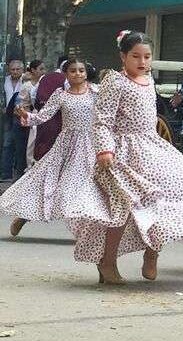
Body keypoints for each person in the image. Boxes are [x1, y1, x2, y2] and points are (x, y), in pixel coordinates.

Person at [68, 31, 183, 285]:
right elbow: (101, 121)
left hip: (152, 150)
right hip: (122, 155)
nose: (142, 61)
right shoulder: (115, 82)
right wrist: (105, 149)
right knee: (120, 211)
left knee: (166, 201)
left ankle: (152, 253)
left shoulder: (149, 81)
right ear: (123, 57)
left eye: (147, 56)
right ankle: (107, 262)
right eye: (136, 56)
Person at [1, 59, 106, 238]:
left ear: (86, 73)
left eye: (81, 70)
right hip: (65, 146)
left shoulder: (97, 92)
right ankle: (24, 215)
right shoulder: (61, 95)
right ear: (65, 74)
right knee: (46, 182)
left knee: (88, 186)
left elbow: (108, 115)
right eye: (73, 71)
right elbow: (43, 116)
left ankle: (85, 230)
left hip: (91, 145)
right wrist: (26, 115)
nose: (78, 74)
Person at [32, 56, 68, 163]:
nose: (77, 74)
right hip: (57, 123)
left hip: (49, 123)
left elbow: (35, 98)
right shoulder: (61, 90)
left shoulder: (45, 78)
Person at [1, 59, 26, 181]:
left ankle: (19, 173)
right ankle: (6, 175)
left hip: (21, 115)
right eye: (12, 69)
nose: (15, 71)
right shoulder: (4, 81)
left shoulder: (25, 80)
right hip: (8, 116)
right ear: (9, 70)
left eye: (17, 69)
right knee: (7, 144)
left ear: (22, 70)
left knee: (20, 145)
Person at [19, 60, 45, 168]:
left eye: (44, 68)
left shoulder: (46, 82)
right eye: (41, 69)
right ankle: (31, 166)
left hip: (47, 115)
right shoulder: (27, 86)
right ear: (33, 70)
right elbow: (24, 104)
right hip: (35, 115)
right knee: (32, 143)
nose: (44, 71)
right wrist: (26, 118)